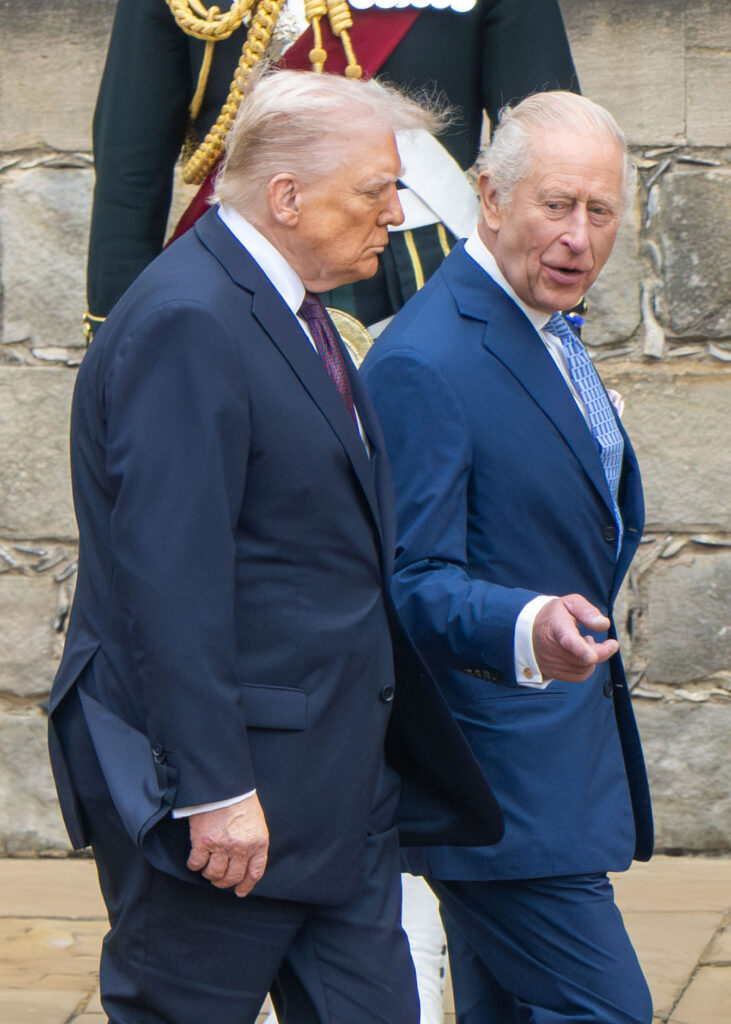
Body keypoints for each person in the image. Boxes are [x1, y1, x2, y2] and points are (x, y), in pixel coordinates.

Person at [48, 70, 502, 1024]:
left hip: (337, 791)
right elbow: (169, 579)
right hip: (230, 812)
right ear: (287, 196)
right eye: (374, 190)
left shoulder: (289, 308)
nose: (396, 214)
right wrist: (212, 788)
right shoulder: (189, 319)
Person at [361, 90, 655, 1023]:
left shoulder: (544, 331)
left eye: (598, 211)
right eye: (555, 206)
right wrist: (526, 625)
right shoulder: (427, 358)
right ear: (489, 197)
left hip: (548, 780)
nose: (578, 237)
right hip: (494, 789)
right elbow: (404, 582)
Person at [84, 0, 579, 340]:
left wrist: (554, 314)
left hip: (419, 269)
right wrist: (118, 334)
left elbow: (549, 145)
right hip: (237, 266)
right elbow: (131, 175)